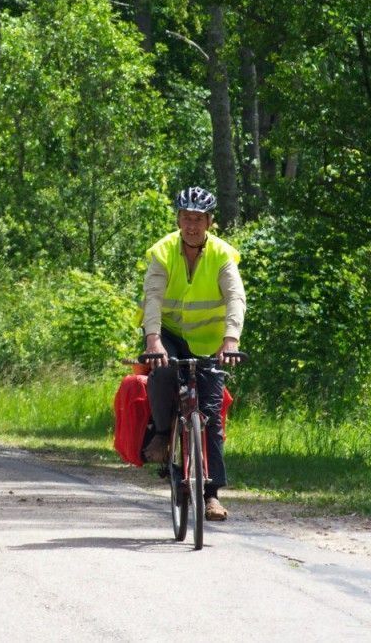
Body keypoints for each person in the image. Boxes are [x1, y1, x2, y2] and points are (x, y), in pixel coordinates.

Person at [140, 186, 246, 522]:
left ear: (209, 222)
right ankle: (159, 432)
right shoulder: (163, 252)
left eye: (198, 219)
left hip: (209, 342)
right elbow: (152, 299)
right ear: (178, 219)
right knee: (162, 371)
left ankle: (212, 494)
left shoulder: (222, 255)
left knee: (210, 416)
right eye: (186, 218)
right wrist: (153, 341)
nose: (191, 225)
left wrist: (231, 340)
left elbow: (236, 298)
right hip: (169, 334)